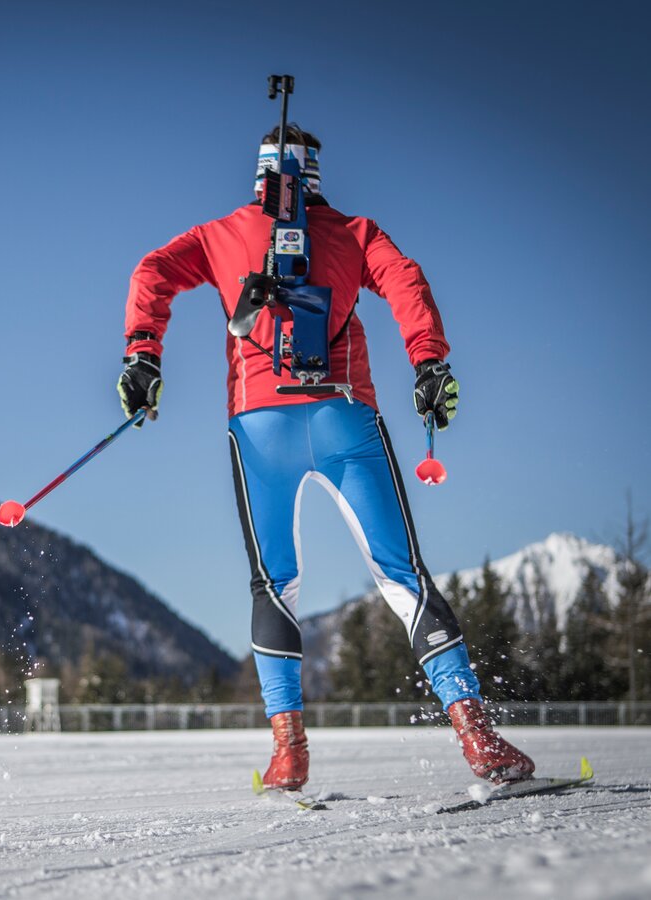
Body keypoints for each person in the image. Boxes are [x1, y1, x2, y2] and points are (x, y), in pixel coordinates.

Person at [117, 124, 535, 789]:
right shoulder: (354, 231)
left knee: (273, 583)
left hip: (258, 426)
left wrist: (143, 353)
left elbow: (153, 272)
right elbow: (407, 284)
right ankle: (478, 737)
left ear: (260, 175)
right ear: (315, 174)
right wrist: (429, 364)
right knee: (404, 575)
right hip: (346, 415)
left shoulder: (221, 235)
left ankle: (289, 752)